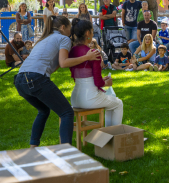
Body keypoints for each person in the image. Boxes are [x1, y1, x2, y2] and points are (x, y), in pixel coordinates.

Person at [14, 15, 101, 147]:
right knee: (66, 112)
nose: (71, 31)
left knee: (43, 111)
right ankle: (66, 152)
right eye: (69, 28)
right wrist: (86, 57)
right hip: (36, 78)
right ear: (63, 27)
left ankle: (33, 148)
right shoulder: (63, 38)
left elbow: (55, 65)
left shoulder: (44, 38)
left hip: (20, 80)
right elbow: (64, 62)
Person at [69, 19, 123, 127]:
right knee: (118, 103)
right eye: (92, 31)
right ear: (88, 33)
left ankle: (109, 134)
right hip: (89, 98)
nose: (93, 33)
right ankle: (114, 135)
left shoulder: (72, 51)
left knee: (111, 103)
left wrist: (102, 81)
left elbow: (81, 77)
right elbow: (98, 82)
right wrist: (106, 83)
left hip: (75, 98)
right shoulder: (94, 53)